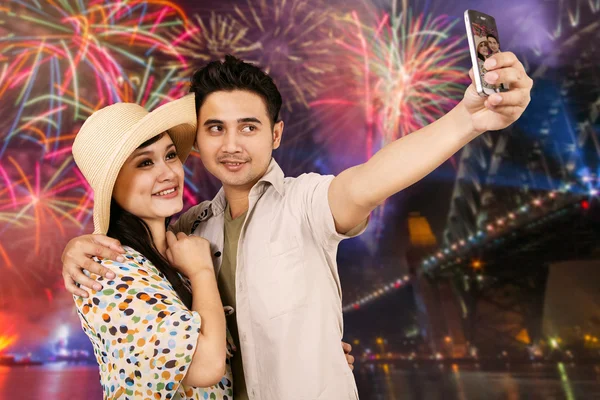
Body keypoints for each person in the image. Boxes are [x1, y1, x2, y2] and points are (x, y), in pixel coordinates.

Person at [62, 52, 533, 399]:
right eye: (215, 128)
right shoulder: (188, 233)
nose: (232, 145)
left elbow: (368, 182)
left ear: (276, 134)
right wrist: (78, 245)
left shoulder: (305, 202)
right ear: (199, 142)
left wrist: (466, 120)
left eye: (249, 127)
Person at [70, 96, 233, 399]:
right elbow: (205, 367)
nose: (169, 172)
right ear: (112, 185)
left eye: (170, 155)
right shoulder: (110, 273)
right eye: (145, 162)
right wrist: (201, 271)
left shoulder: (174, 254)